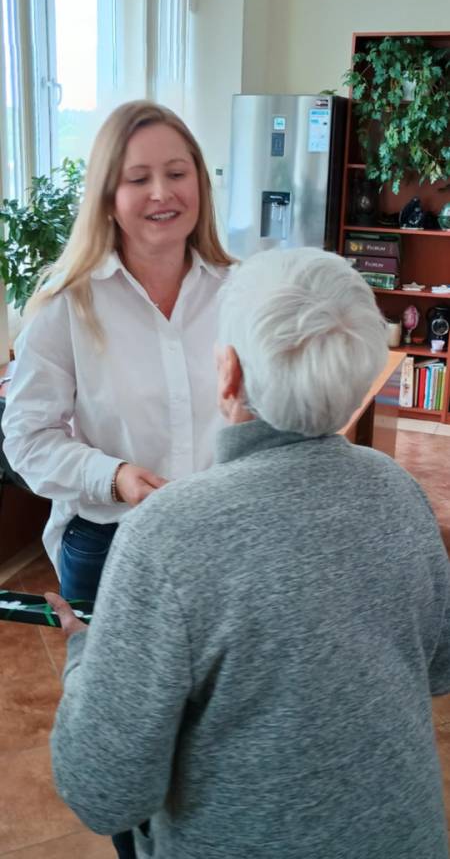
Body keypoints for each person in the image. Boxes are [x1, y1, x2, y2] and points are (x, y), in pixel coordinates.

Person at [48, 247, 450, 859]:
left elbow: (104, 792)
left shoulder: (165, 535)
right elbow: (439, 665)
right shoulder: (399, 491)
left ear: (229, 375)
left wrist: (86, 656)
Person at [3, 99, 232, 859]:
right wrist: (117, 475)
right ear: (108, 195)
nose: (162, 193)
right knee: (127, 751)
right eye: (138, 178)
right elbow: (26, 439)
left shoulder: (241, 292)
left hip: (222, 547)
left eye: (177, 172)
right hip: (111, 551)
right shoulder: (66, 303)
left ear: (200, 183)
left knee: (212, 736)